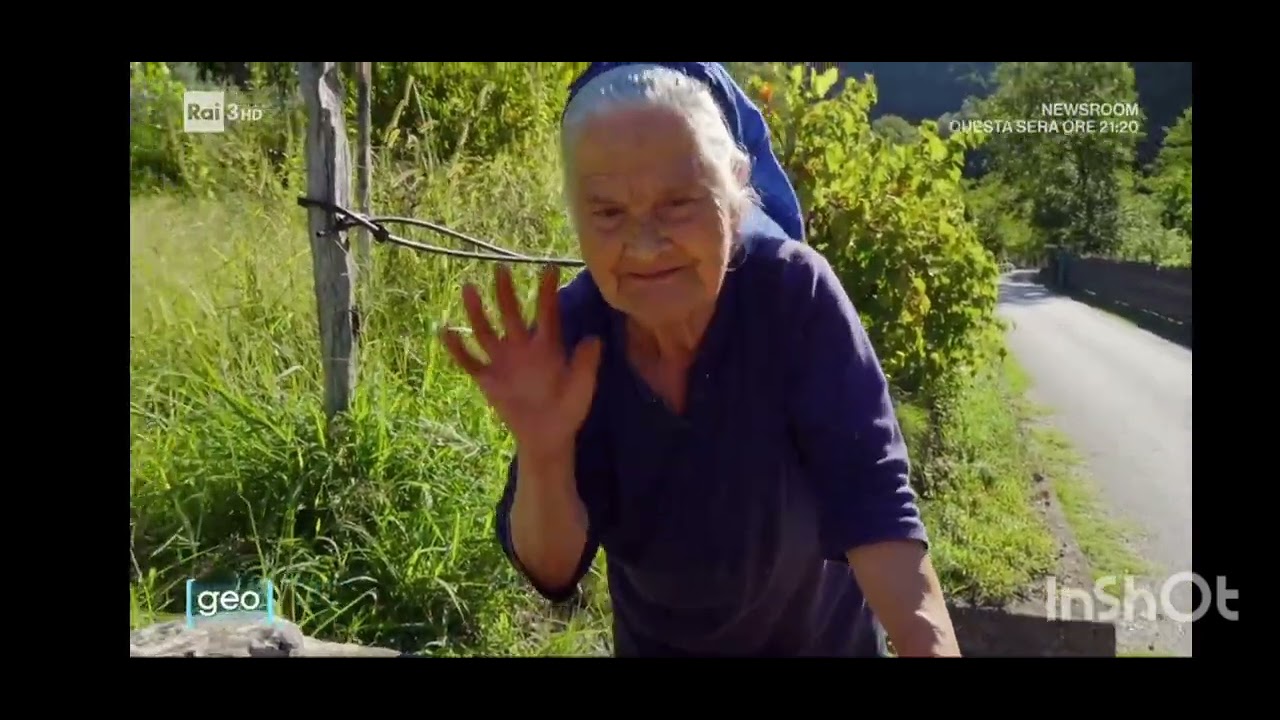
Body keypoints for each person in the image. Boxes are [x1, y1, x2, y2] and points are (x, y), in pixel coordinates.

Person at [439, 62, 961, 657]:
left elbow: (876, 509)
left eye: (679, 203)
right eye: (608, 212)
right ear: (575, 214)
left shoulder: (793, 298)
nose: (643, 244)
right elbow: (553, 572)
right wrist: (544, 452)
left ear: (736, 191)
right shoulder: (576, 335)